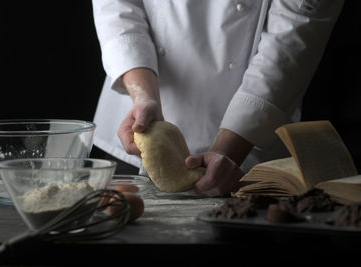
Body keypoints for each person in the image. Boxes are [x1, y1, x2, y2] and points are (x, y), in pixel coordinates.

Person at [91, 0, 344, 196]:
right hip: (130, 138)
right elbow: (116, 6)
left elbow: (295, 29)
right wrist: (143, 95)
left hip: (247, 145)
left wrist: (229, 149)